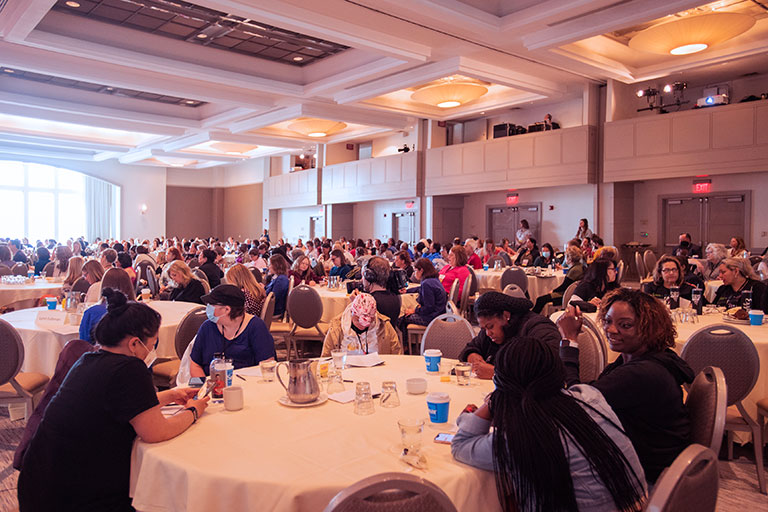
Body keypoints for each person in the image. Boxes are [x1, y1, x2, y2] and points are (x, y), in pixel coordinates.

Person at [18, 289, 209, 511]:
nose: (151, 350)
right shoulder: (129, 369)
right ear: (135, 344)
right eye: (153, 343)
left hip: (39, 484)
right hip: (77, 497)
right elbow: (157, 432)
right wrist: (193, 411)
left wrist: (171, 395)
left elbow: (118, 405)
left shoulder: (88, 359)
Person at [452, 338, 646, 512]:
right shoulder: (588, 396)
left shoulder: (524, 435)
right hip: (639, 503)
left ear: (501, 385)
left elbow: (461, 445)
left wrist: (492, 402)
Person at [557, 288, 695, 483]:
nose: (611, 330)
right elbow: (589, 394)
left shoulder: (642, 373)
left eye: (625, 325)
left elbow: (576, 405)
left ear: (650, 328)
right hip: (646, 456)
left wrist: (569, 341)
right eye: (608, 321)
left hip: (646, 474)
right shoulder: (647, 357)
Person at [458, 291, 560, 379]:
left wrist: (497, 373)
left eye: (490, 327)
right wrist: (473, 356)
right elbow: (471, 348)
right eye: (484, 329)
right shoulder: (489, 331)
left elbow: (549, 366)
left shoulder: (538, 327)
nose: (488, 333)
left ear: (506, 315)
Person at [189, 285, 275, 376]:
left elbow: (267, 366)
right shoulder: (207, 327)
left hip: (245, 385)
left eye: (212, 304)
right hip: (211, 385)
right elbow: (195, 364)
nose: (208, 307)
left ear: (226, 309)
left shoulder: (256, 327)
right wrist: (199, 388)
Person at [321, 292, 401, 356]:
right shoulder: (337, 327)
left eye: (369, 320)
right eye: (358, 320)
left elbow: (397, 356)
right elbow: (325, 357)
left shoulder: (384, 326)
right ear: (352, 312)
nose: (363, 325)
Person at [79, 268, 136, 343]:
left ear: (103, 286)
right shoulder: (141, 311)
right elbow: (152, 341)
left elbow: (84, 344)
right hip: (135, 353)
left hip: (100, 353)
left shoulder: (91, 313)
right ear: (129, 286)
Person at [398, 259, 447, 341]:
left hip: (432, 317)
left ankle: (405, 344)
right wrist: (407, 291)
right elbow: (420, 289)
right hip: (439, 313)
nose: (414, 273)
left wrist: (414, 310)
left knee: (402, 317)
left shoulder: (426, 284)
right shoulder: (433, 279)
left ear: (421, 270)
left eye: (416, 270)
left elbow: (428, 308)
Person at [532, 246, 585, 314]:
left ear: (569, 258)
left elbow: (564, 286)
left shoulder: (574, 270)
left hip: (565, 296)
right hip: (572, 294)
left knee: (540, 300)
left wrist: (553, 291)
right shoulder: (579, 267)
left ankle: (531, 318)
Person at [358, 256, 400, 327]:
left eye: (363, 276)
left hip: (372, 337)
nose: (362, 280)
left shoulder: (369, 302)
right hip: (390, 337)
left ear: (369, 277)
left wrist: (355, 304)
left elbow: (360, 328)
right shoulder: (395, 297)